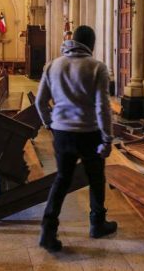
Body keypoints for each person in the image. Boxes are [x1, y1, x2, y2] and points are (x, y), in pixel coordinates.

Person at [35, 25, 116, 252]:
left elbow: (40, 102)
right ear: (91, 44)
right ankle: (97, 224)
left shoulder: (52, 65)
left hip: (62, 133)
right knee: (96, 178)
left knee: (62, 179)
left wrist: (50, 124)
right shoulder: (97, 67)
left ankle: (48, 230)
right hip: (89, 133)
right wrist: (107, 138)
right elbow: (103, 107)